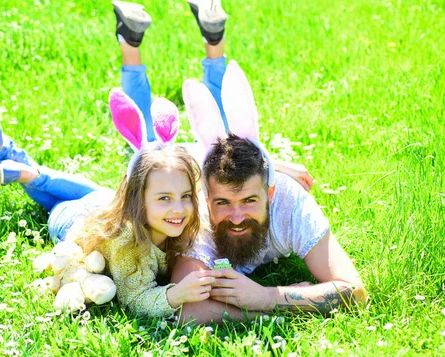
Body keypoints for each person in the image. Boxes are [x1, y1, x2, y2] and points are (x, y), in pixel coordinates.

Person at [114, 0, 368, 323]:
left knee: (229, 125)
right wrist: (260, 313)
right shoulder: (197, 219)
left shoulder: (292, 205)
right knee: (144, 137)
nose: (235, 217)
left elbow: (355, 291)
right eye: (223, 202)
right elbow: (186, 308)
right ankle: (131, 44)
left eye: (249, 200)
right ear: (206, 200)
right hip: (172, 161)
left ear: (271, 192)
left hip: (226, 158)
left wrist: (266, 296)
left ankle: (210, 41)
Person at [0, 96, 220, 318]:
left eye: (186, 195)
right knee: (53, 202)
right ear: (138, 199)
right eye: (164, 198)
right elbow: (135, 300)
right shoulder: (128, 244)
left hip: (104, 201)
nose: (179, 208)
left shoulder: (159, 215)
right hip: (72, 221)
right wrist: (175, 294)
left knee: (78, 189)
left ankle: (22, 166)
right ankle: (27, 173)